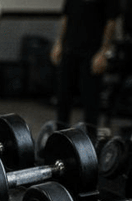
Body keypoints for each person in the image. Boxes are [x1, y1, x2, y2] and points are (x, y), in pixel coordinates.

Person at [50, 0, 121, 135]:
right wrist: (59, 43)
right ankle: (60, 139)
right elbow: (66, 17)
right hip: (70, 49)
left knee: (90, 100)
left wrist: (103, 52)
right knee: (63, 97)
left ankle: (90, 142)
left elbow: (111, 22)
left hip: (92, 53)